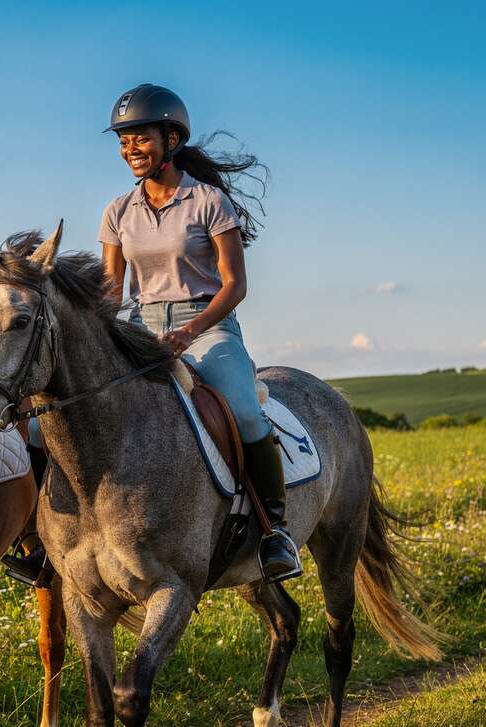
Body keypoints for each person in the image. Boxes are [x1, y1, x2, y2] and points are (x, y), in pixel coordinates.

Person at [99, 84, 301, 582]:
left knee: (243, 409)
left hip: (207, 326)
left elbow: (235, 286)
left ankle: (274, 531)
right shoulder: (117, 212)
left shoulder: (208, 201)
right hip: (141, 327)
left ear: (171, 139)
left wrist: (189, 331)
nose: (130, 150)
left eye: (139, 138)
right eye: (123, 141)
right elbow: (110, 294)